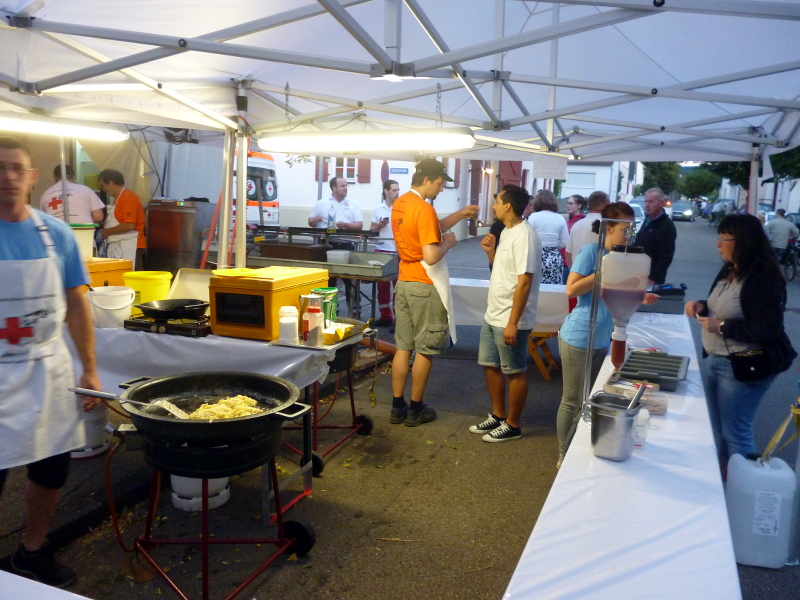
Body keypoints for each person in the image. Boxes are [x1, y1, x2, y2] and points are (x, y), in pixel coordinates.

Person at [0, 136, 101, 589]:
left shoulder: (55, 233)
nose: (8, 177)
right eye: (0, 168)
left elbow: (76, 304)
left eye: (16, 168)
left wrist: (90, 367)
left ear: (32, 176)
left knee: (51, 469)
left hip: (47, 369)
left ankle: (32, 551)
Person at [685, 214, 796, 473]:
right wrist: (701, 305)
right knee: (718, 429)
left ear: (743, 241)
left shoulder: (764, 278)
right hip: (718, 359)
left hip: (745, 365)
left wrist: (722, 327)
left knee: (735, 432)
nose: (718, 244)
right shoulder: (730, 269)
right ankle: (724, 479)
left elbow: (767, 328)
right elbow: (727, 305)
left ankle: (743, 486)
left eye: (724, 239)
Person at [556, 202, 658, 468]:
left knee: (591, 399)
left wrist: (640, 296)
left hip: (604, 337)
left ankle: (582, 448)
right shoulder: (592, 252)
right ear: (608, 229)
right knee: (572, 401)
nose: (629, 236)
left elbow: (619, 291)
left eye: (632, 229)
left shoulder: (624, 257)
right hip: (580, 336)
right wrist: (603, 270)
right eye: (625, 229)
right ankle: (563, 456)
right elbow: (572, 289)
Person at [390, 159, 478, 427]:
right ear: (427, 179)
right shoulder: (424, 208)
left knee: (403, 347)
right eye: (439, 184)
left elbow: (429, 226)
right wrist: (449, 243)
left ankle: (397, 406)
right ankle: (416, 409)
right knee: (425, 349)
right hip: (425, 284)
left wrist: (460, 214)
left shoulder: (401, 203)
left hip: (404, 281)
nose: (441, 189)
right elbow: (430, 255)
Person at [471, 186, 541, 442]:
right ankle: (498, 415)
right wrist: (490, 252)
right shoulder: (506, 231)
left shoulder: (525, 235)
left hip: (510, 318)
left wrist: (513, 322)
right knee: (490, 366)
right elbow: (501, 270)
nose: (494, 206)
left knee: (514, 371)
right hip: (494, 313)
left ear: (508, 205)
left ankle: (513, 424)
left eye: (497, 201)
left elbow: (524, 282)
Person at [98, 169, 146, 270]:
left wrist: (106, 232)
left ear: (111, 183)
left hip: (131, 246)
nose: (103, 189)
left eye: (103, 185)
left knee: (131, 277)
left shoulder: (127, 197)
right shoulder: (118, 199)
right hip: (120, 245)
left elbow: (129, 225)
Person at [632, 187, 677, 286]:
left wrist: (653, 278)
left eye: (651, 202)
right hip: (637, 273)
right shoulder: (648, 220)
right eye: (646, 201)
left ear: (661, 203)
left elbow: (666, 256)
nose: (647, 205)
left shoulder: (666, 225)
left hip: (650, 279)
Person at [370, 180, 400, 328]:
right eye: (394, 190)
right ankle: (385, 316)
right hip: (382, 250)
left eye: (398, 190)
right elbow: (371, 230)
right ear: (386, 191)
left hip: (397, 251)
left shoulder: (401, 208)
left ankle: (398, 319)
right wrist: (379, 225)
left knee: (398, 288)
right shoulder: (378, 209)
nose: (397, 193)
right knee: (382, 286)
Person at [39, 164, 104, 225]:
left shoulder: (46, 194)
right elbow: (98, 217)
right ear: (73, 178)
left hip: (56, 230)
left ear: (55, 178)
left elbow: (42, 219)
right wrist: (82, 221)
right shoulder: (86, 190)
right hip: (83, 231)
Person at [526, 190, 568, 284]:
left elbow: (528, 237)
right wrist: (553, 245)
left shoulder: (534, 216)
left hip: (536, 256)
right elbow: (565, 241)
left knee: (535, 285)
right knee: (553, 288)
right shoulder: (560, 218)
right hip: (554, 257)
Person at [565, 191, 609, 268]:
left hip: (577, 270)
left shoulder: (576, 225)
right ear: (602, 206)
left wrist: (573, 270)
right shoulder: (606, 226)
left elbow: (568, 253)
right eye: (609, 205)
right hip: (597, 271)